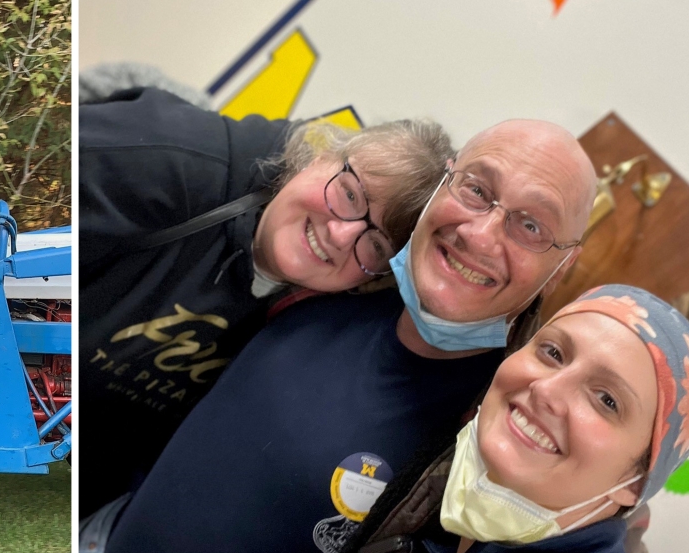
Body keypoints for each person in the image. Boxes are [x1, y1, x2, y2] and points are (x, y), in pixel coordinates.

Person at [92, 118, 606, 553]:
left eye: (531, 225)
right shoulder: (329, 285)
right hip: (93, 552)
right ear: (441, 185)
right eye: (475, 189)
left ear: (562, 265)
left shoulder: (492, 433)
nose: (482, 234)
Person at [81, 87, 454, 517]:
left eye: (375, 246)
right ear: (320, 156)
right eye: (351, 194)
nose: (341, 234)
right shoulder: (166, 153)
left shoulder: (321, 325)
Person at [299, 285, 689, 553]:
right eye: (553, 352)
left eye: (606, 400)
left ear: (634, 483)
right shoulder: (451, 543)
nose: (547, 390)